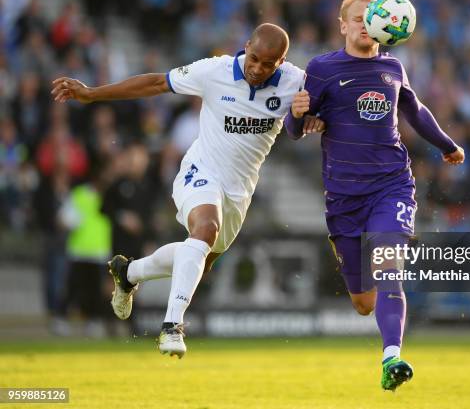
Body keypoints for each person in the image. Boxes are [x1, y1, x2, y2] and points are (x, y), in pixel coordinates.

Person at [51, 23, 325, 358]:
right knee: (205, 229)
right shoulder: (214, 70)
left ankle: (129, 272)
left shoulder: (295, 82)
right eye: (254, 58)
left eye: (268, 64)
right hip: (200, 170)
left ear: (280, 63)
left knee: (199, 259)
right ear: (246, 45)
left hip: (239, 189)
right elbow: (155, 82)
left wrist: (314, 118)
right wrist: (92, 93)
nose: (257, 68)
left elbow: (316, 114)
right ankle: (172, 326)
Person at [285, 0, 465, 391]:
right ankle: (383, 334)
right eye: (359, 17)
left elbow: (415, 111)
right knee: (363, 302)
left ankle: (391, 358)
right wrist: (298, 116)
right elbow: (295, 129)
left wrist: (447, 145)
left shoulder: (393, 67)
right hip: (343, 197)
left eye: (374, 16)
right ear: (343, 25)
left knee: (389, 268)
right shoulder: (322, 69)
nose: (366, 22)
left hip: (392, 186)